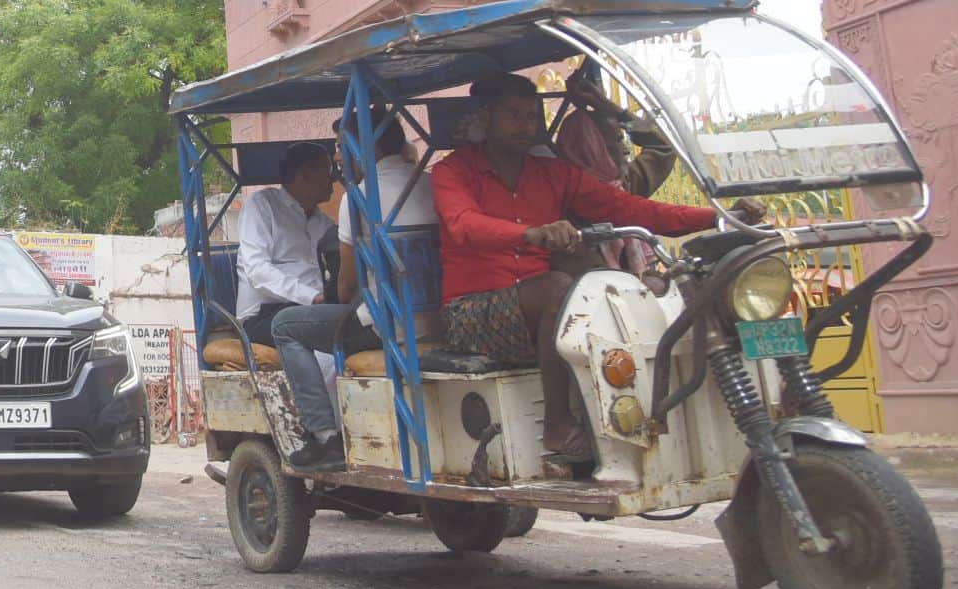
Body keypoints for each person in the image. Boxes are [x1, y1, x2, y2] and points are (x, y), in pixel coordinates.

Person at [430, 72, 763, 464]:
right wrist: (530, 234)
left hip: (539, 311)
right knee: (560, 287)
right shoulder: (451, 172)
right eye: (514, 115)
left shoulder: (552, 174)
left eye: (532, 115)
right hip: (472, 312)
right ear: (486, 117)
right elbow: (463, 224)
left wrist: (719, 216)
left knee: (630, 297)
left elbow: (629, 208)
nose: (526, 125)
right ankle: (556, 424)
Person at [269, 112, 441, 470]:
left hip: (387, 325)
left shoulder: (359, 198)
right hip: (438, 319)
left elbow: (347, 287)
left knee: (285, 326)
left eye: (340, 147)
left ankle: (325, 436)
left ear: (370, 145)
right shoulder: (432, 183)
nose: (337, 159)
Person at [233, 142, 337, 346]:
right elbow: (257, 270)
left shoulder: (323, 223)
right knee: (328, 342)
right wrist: (313, 297)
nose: (332, 182)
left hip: (313, 309)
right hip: (265, 314)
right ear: (304, 175)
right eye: (327, 172)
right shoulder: (262, 206)